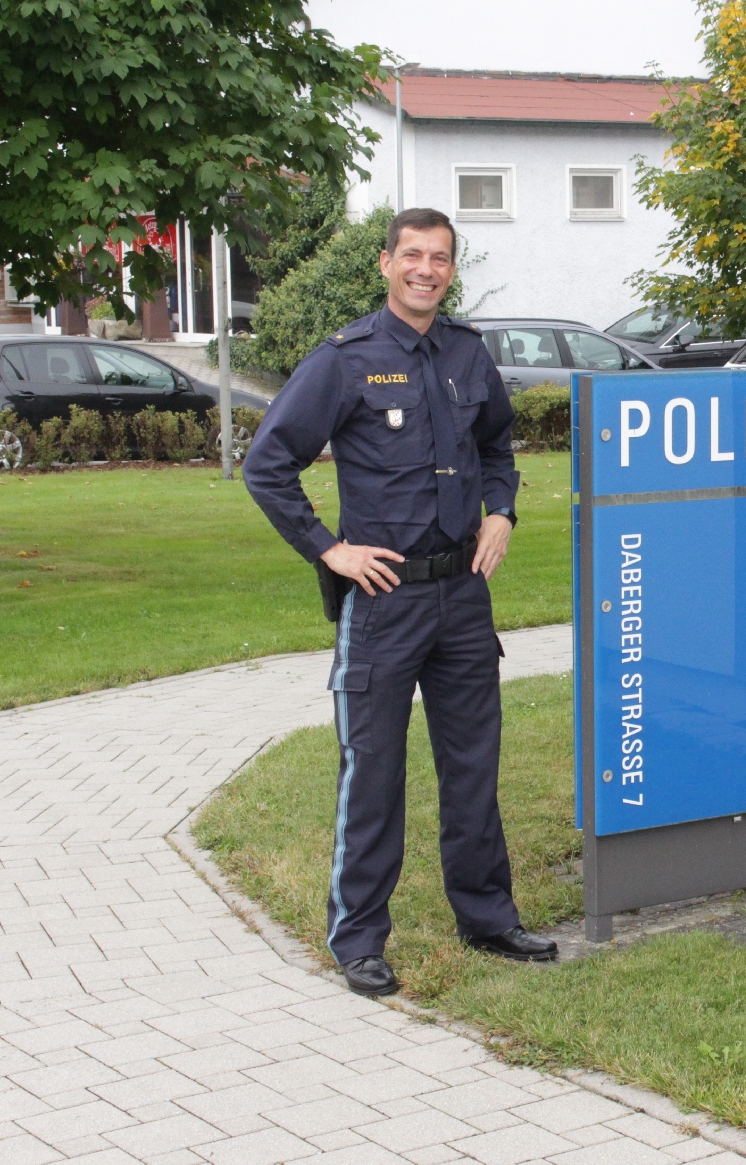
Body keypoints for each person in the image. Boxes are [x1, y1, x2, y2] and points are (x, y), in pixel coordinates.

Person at [244, 207, 557, 995]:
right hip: (384, 603)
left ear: (453, 269)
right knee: (373, 772)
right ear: (385, 264)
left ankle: (487, 918)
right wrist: (330, 549)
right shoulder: (345, 359)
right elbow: (268, 464)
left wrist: (502, 511)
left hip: (462, 597)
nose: (425, 269)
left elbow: (496, 450)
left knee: (472, 769)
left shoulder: (465, 354)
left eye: (440, 258)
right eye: (412, 256)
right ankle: (359, 940)